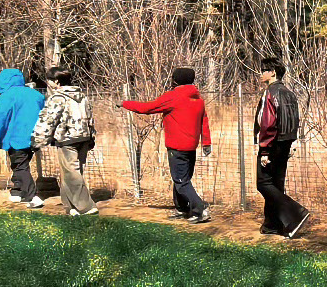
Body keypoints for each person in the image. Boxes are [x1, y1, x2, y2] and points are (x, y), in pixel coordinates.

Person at [120, 68, 212, 224]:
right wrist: (206, 143)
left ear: (175, 81)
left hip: (177, 147)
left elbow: (147, 108)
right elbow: (204, 121)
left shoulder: (173, 97)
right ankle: (181, 208)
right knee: (183, 178)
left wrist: (125, 104)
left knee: (181, 181)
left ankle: (200, 210)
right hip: (191, 146)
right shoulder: (198, 98)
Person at [31, 66, 99, 216]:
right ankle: (70, 206)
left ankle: (86, 207)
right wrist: (91, 136)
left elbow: (47, 121)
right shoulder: (82, 96)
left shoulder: (57, 98)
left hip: (67, 139)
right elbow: (90, 118)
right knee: (73, 171)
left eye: (49, 79)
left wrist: (37, 140)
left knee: (71, 173)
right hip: (84, 138)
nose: (48, 82)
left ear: (56, 81)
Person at [254, 57, 310, 239]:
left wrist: (264, 150)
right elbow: (294, 120)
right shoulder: (289, 93)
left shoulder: (270, 93)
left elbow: (267, 123)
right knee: (276, 184)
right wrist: (291, 142)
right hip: (285, 143)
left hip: (272, 144)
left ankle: (295, 213)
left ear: (272, 72)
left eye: (264, 70)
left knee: (263, 183)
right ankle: (272, 224)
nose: (260, 73)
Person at [0, 68, 46, 208]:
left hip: (15, 137)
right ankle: (18, 192)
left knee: (20, 166)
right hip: (35, 138)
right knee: (22, 164)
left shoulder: (7, 96)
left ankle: (33, 197)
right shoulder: (36, 95)